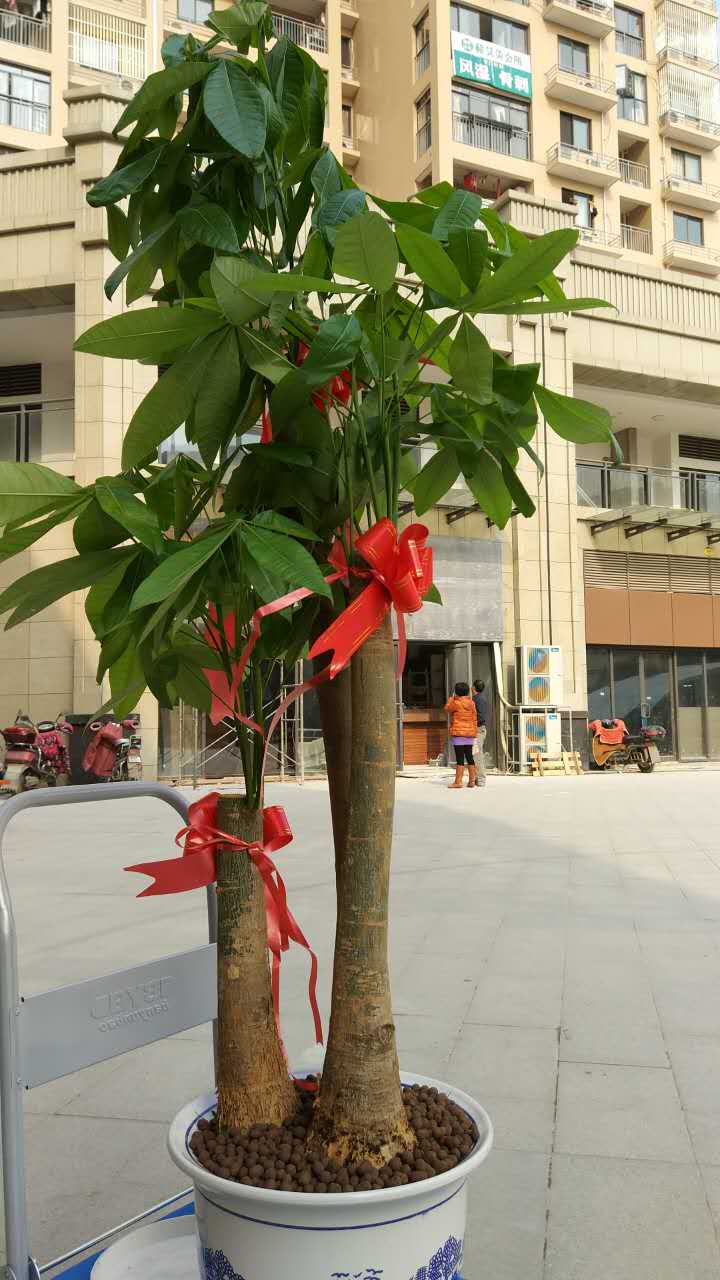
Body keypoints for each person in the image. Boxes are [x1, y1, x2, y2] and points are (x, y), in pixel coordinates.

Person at [444, 681, 478, 790]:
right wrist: (474, 732)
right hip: (469, 733)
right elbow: (474, 718)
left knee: (460, 758)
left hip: (458, 733)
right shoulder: (471, 703)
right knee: (469, 756)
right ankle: (472, 780)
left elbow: (447, 708)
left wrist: (451, 698)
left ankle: (458, 782)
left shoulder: (455, 702)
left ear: (456, 692)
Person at [472, 679, 488, 788]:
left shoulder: (477, 699)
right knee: (475, 754)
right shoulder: (481, 698)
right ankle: (477, 778)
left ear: (473, 688)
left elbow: (480, 717)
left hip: (478, 730)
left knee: (477, 755)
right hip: (479, 729)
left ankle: (481, 779)